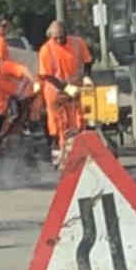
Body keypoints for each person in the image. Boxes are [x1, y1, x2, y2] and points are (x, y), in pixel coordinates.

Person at [38, 20, 93, 164]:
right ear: (50, 36)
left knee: (79, 119)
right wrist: (65, 88)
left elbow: (87, 61)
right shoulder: (46, 50)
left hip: (75, 86)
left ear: (66, 33)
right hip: (55, 89)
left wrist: (87, 76)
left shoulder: (77, 43)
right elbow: (47, 75)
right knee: (57, 124)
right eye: (56, 38)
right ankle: (58, 156)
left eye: (61, 36)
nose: (59, 40)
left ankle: (79, 153)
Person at [0, 15, 39, 140]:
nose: (6, 30)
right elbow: (1, 62)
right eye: (5, 27)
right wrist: (32, 80)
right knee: (7, 105)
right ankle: (16, 126)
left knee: (2, 108)